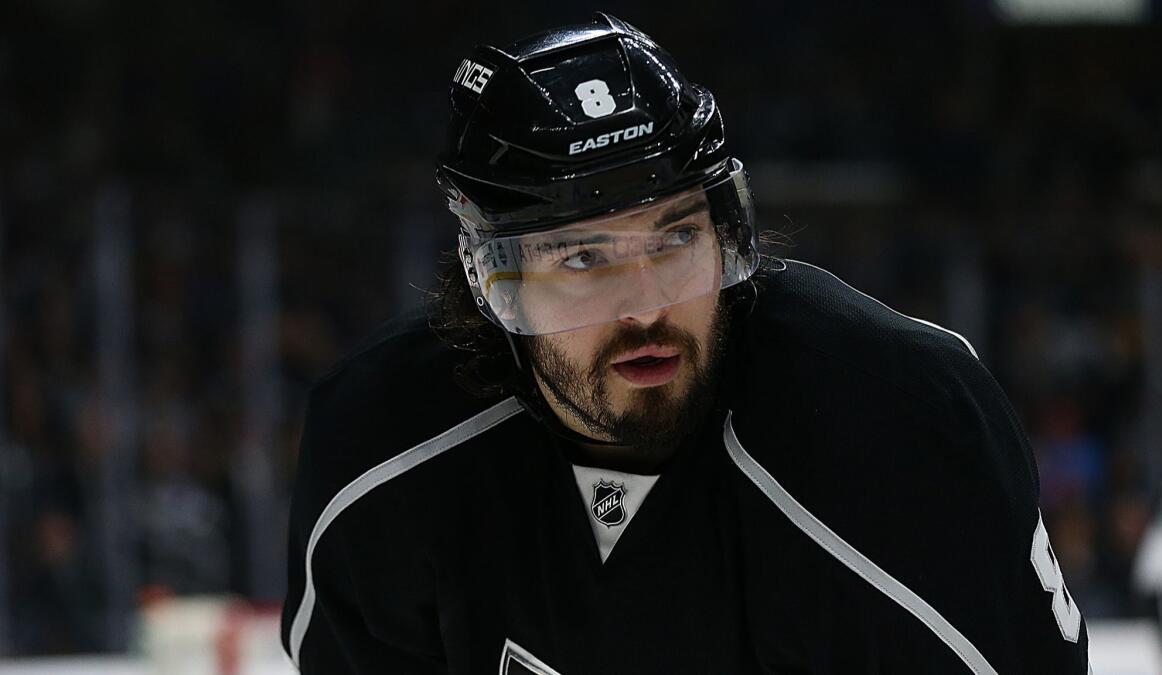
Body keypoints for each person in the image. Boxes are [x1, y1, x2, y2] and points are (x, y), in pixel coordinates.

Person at [281, 13, 1092, 674]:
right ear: (494, 278)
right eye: (583, 257)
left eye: (673, 239)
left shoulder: (892, 422)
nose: (645, 307)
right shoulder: (381, 457)